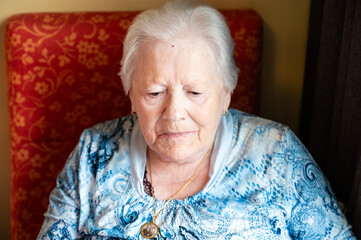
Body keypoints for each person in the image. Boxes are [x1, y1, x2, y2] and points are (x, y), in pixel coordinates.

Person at [38, 0, 356, 239]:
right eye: (154, 92)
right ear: (131, 96)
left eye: (195, 92)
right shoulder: (94, 154)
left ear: (227, 93)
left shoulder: (277, 154)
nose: (175, 112)